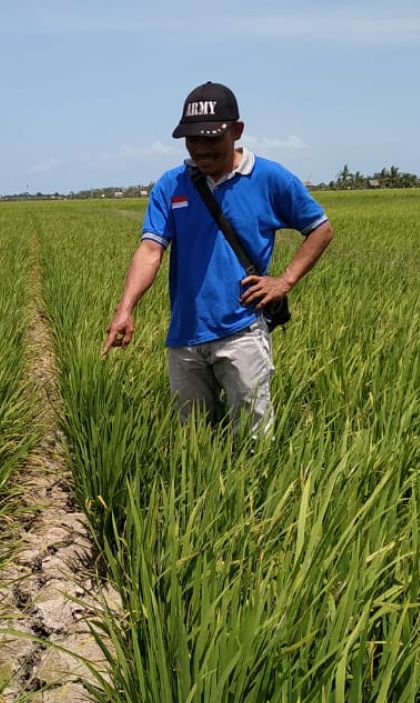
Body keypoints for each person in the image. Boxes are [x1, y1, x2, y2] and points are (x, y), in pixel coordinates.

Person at [101, 82, 333, 439]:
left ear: (236, 131)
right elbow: (151, 250)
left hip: (241, 331)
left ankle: (254, 494)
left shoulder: (269, 178)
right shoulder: (172, 184)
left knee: (253, 439)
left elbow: (319, 229)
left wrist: (284, 281)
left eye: (212, 139)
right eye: (193, 140)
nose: (202, 149)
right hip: (184, 336)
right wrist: (126, 307)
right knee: (193, 441)